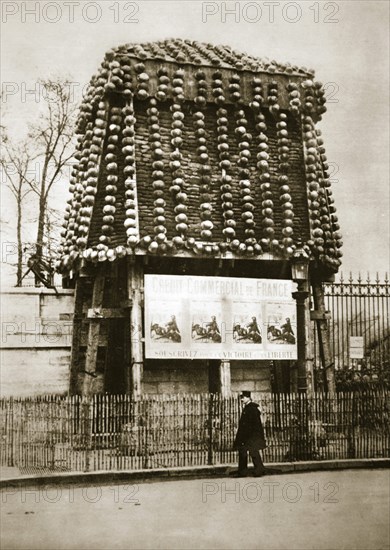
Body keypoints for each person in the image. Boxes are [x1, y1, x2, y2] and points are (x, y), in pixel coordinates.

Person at [231, 390, 267, 477]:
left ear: (248, 398)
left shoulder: (251, 408)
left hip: (250, 436)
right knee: (249, 452)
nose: (241, 399)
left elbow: (252, 424)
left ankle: (249, 471)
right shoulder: (250, 407)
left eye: (243, 397)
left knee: (250, 452)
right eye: (241, 398)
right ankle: (257, 470)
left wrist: (246, 436)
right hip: (249, 435)